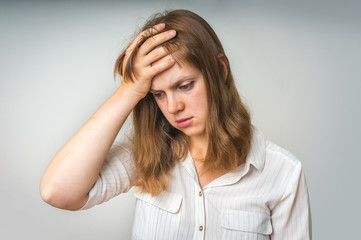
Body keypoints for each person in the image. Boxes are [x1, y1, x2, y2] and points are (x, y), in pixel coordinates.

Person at [40, 9, 312, 240]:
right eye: (158, 94)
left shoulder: (283, 174)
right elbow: (57, 192)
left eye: (185, 86)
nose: (172, 107)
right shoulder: (146, 156)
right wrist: (130, 89)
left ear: (220, 70)